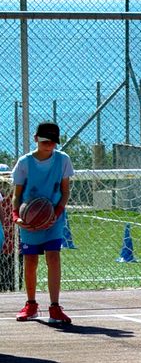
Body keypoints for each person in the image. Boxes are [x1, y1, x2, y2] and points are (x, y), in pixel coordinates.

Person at [11, 121, 73, 325]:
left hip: (53, 217)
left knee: (53, 258)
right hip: (29, 218)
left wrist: (56, 212)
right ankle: (31, 305)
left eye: (53, 142)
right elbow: (16, 195)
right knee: (30, 261)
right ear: (36, 139)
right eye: (45, 141)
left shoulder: (63, 160)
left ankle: (55, 307)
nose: (49, 145)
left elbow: (65, 191)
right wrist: (16, 217)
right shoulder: (24, 162)